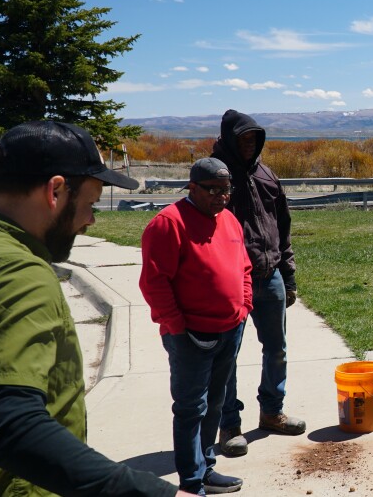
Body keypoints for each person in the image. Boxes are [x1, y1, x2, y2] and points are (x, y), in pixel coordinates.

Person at [0, 120, 191, 496]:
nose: (91, 220)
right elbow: (14, 426)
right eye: (90, 204)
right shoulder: (18, 273)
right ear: (56, 190)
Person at [140, 158, 252, 495]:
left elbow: (244, 268)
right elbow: (154, 282)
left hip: (230, 329)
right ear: (192, 187)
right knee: (191, 408)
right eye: (212, 190)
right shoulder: (168, 223)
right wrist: (175, 325)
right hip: (190, 336)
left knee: (215, 403)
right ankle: (191, 483)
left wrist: (244, 306)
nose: (221, 196)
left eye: (226, 190)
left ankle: (206, 468)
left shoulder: (229, 220)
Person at [210, 110, 304, 457]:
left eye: (254, 139)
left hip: (270, 274)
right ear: (230, 140)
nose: (249, 145)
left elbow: (283, 226)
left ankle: (271, 412)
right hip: (232, 280)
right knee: (227, 356)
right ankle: (229, 425)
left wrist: (288, 275)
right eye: (243, 139)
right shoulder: (216, 175)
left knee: (277, 348)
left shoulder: (266, 174)